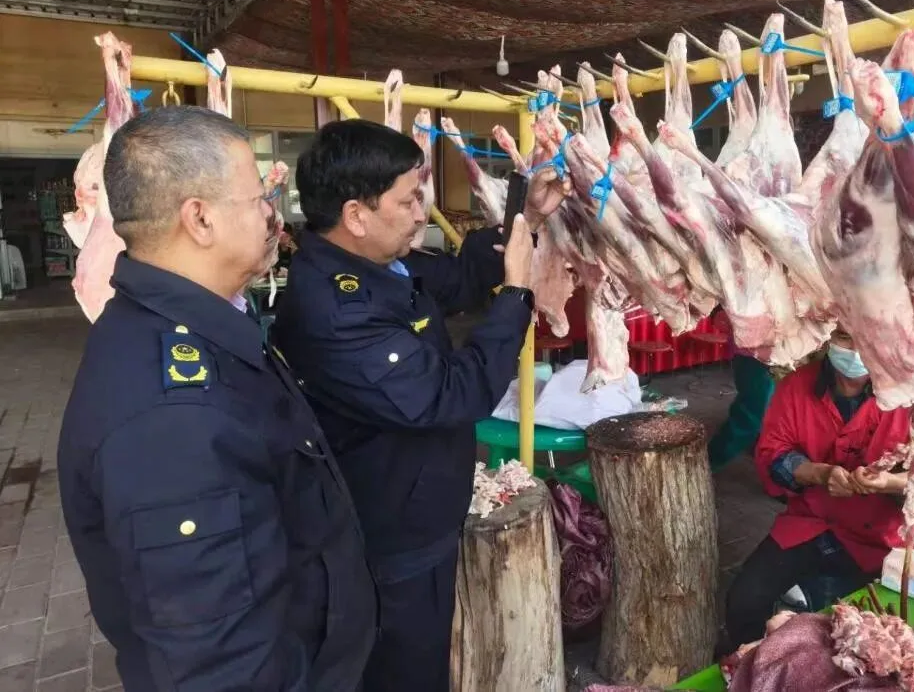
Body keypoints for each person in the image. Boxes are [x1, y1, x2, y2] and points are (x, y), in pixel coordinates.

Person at [57, 106, 376, 692]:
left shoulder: (193, 325)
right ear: (200, 219)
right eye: (257, 199)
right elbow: (218, 666)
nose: (272, 214)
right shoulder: (172, 417)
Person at [272, 118, 570, 692]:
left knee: (426, 655)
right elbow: (450, 395)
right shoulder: (335, 309)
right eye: (408, 200)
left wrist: (526, 217)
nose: (420, 213)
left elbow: (458, 277)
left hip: (418, 513)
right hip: (388, 540)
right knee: (403, 671)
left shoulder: (379, 265)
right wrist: (516, 294)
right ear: (357, 215)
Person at [720, 327, 914, 651]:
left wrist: (890, 483)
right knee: (744, 601)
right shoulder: (796, 387)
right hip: (810, 522)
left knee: (863, 632)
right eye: (844, 336)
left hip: (880, 537)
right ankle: (749, 667)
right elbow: (774, 455)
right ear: (826, 336)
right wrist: (819, 473)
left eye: (863, 336)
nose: (855, 348)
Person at [707, 308, 777, 470]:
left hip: (773, 355)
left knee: (765, 412)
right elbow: (718, 311)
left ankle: (760, 449)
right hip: (754, 356)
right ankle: (708, 462)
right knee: (750, 417)